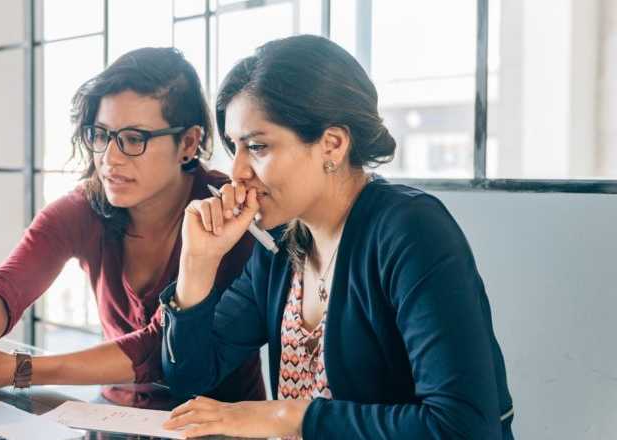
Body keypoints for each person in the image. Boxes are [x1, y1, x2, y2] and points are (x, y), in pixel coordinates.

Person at [159, 35, 514, 439]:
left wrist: (287, 417)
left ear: (332, 144)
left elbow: (462, 427)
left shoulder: (410, 231)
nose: (237, 171)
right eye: (233, 148)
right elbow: (190, 375)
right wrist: (197, 263)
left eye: (257, 147)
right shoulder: (283, 244)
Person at [0, 47, 265, 412]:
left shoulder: (228, 215)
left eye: (134, 139)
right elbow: (7, 285)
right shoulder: (87, 206)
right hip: (111, 418)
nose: (110, 157)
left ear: (187, 143)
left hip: (218, 427)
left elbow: (158, 349)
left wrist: (18, 370)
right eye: (101, 135)